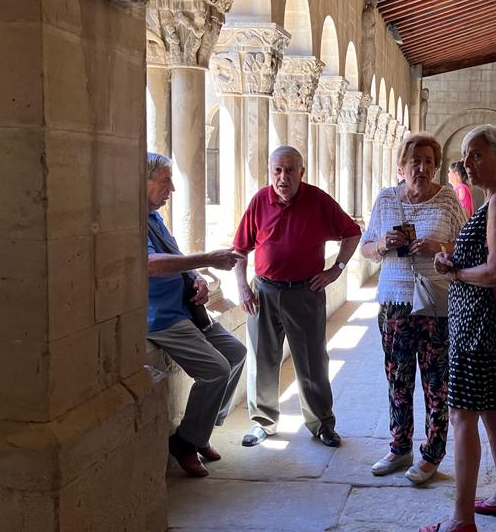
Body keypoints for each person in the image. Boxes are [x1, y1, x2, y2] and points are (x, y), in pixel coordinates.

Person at [427, 124, 496, 532]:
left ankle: (460, 520)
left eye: (477, 155)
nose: (467, 163)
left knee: (462, 416)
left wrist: (457, 274)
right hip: (487, 327)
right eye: (467, 155)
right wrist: (455, 261)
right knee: (490, 409)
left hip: (479, 330)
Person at [232, 146, 362, 449]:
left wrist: (336, 270)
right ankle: (262, 422)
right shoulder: (259, 201)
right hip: (263, 292)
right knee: (263, 358)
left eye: (290, 170)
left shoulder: (318, 201)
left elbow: (352, 233)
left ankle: (321, 424)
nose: (283, 177)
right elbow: (239, 250)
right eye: (277, 170)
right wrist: (241, 287)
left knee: (312, 361)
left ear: (302, 173)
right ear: (269, 171)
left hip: (305, 292)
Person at [359, 133, 466, 485]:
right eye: (414, 161)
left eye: (428, 162)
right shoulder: (386, 199)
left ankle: (431, 454)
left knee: (436, 383)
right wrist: (381, 245)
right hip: (394, 304)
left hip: (435, 305)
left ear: (436, 167)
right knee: (398, 380)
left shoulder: (448, 199)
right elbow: (365, 247)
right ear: (401, 166)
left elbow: (466, 247)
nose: (421, 168)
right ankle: (399, 446)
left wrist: (440, 245)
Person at [144, 152, 247, 478]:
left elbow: (175, 257)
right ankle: (186, 442)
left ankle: (199, 431)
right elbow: (149, 265)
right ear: (142, 180)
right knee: (216, 369)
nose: (172, 188)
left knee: (236, 352)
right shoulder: (128, 221)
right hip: (161, 317)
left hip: (187, 309)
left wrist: (198, 279)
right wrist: (208, 259)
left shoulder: (154, 218)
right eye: (165, 180)